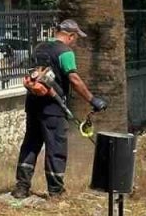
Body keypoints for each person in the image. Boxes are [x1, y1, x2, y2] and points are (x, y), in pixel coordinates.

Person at [13, 19, 103, 200]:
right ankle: (56, 191)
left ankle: (21, 188)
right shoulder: (65, 52)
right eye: (75, 38)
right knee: (56, 148)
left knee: (30, 145)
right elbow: (74, 79)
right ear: (70, 35)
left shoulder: (39, 47)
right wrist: (93, 100)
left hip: (33, 104)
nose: (75, 42)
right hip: (53, 108)